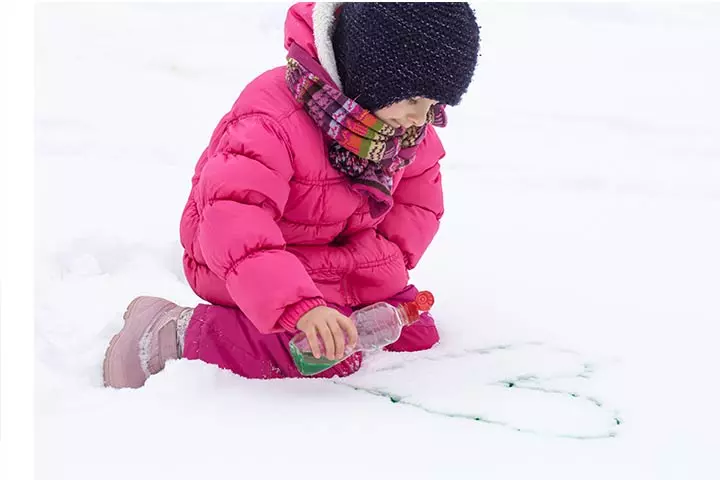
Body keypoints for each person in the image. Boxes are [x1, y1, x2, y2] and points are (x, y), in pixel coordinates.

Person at [103, 2, 481, 388]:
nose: (422, 118)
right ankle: (172, 333)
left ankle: (326, 309)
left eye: (436, 105)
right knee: (319, 355)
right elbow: (234, 219)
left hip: (332, 257)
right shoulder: (270, 122)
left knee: (414, 336)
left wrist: (379, 269)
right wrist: (300, 307)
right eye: (415, 100)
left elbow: (418, 202)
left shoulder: (403, 129)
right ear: (372, 73)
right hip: (242, 259)